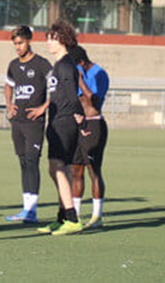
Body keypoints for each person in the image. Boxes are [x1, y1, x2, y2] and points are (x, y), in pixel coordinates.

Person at [36, 20, 86, 236]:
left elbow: (73, 95)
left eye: (53, 38)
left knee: (57, 167)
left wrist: (80, 118)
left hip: (64, 122)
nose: (48, 42)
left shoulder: (65, 65)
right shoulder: (58, 65)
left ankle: (72, 218)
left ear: (63, 40)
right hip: (56, 121)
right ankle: (62, 217)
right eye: (48, 38)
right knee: (57, 169)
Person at [3, 25, 52, 224]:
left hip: (34, 122)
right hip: (18, 121)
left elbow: (57, 88)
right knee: (23, 162)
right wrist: (9, 104)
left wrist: (43, 107)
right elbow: (8, 85)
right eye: (15, 44)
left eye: (20, 43)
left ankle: (32, 211)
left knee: (32, 162)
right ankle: (26, 209)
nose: (18, 47)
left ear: (29, 41)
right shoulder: (13, 65)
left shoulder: (42, 64)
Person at [68, 44, 109, 229]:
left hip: (94, 124)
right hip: (78, 125)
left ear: (82, 62)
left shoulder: (99, 74)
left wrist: (80, 81)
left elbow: (94, 101)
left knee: (93, 170)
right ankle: (74, 215)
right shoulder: (75, 72)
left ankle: (96, 216)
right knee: (75, 171)